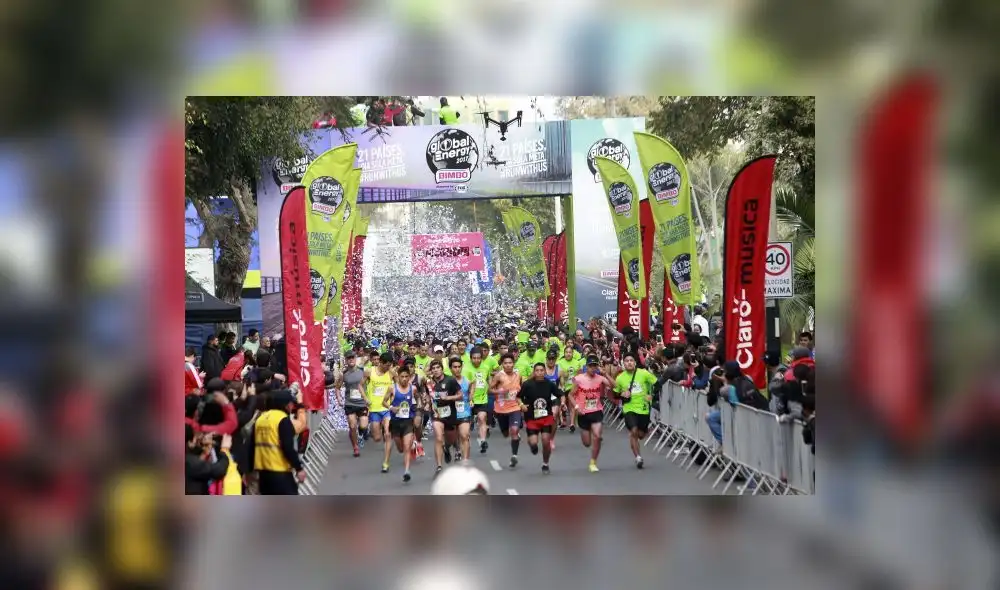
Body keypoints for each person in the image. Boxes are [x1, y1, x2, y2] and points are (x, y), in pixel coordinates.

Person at [250, 389, 306, 495]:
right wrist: (298, 468)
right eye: (290, 403)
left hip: (263, 474)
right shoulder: (282, 419)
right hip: (280, 472)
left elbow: (252, 446)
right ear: (285, 405)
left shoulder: (260, 419)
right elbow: (288, 447)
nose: (292, 406)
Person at [568, 355, 613, 473]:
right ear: (586, 366)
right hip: (583, 413)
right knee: (587, 443)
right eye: (591, 366)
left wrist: (605, 374)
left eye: (595, 366)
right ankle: (590, 441)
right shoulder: (578, 379)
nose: (593, 368)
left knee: (597, 437)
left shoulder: (600, 378)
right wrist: (577, 407)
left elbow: (614, 386)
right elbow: (570, 395)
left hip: (597, 411)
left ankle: (593, 462)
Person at [615, 352, 658, 469]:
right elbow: (615, 393)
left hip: (643, 408)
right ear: (623, 364)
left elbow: (657, 383)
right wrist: (621, 394)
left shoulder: (644, 373)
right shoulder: (620, 378)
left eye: (631, 360)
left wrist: (652, 396)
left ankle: (642, 432)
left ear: (635, 363)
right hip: (629, 408)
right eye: (627, 361)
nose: (629, 362)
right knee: (633, 431)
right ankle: (638, 457)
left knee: (641, 434)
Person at [519, 363, 559, 474]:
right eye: (537, 370)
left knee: (546, 441)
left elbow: (559, 394)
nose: (540, 372)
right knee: (533, 442)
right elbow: (518, 397)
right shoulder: (527, 384)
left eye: (542, 370)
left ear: (545, 372)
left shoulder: (549, 384)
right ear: (534, 372)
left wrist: (563, 403)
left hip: (546, 417)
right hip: (532, 417)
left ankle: (545, 464)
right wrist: (521, 405)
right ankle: (533, 445)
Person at [383, 364, 418, 483]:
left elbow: (417, 399)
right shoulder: (392, 388)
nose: (404, 379)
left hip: (408, 421)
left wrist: (420, 406)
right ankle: (412, 446)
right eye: (402, 376)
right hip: (396, 422)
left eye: (406, 376)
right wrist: (391, 407)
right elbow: (384, 402)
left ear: (409, 377)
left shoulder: (413, 388)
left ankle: (407, 471)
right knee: (401, 448)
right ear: (398, 377)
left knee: (407, 448)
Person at [489, 353, 524, 468]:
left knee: (514, 430)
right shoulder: (499, 376)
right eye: (505, 363)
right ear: (502, 364)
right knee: (505, 434)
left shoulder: (518, 375)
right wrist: (500, 392)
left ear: (513, 364)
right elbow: (490, 390)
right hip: (501, 409)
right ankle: (514, 436)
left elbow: (522, 389)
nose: (508, 365)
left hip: (514, 407)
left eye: (510, 363)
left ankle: (514, 455)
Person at [427, 358, 461, 475]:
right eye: (433, 369)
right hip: (436, 414)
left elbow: (460, 395)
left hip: (450, 414)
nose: (436, 370)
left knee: (450, 439)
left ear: (442, 369)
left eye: (438, 368)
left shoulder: (450, 380)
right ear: (431, 370)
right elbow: (426, 395)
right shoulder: (428, 383)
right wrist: (426, 403)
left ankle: (447, 448)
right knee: (438, 438)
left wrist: (449, 398)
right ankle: (439, 466)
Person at [365, 353, 396, 472]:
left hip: (386, 408)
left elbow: (397, 386)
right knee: (377, 438)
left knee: (388, 435)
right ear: (381, 363)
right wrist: (365, 398)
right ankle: (379, 432)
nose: (388, 367)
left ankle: (386, 463)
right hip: (374, 409)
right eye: (386, 365)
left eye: (390, 365)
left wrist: (395, 398)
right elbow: (360, 385)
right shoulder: (369, 372)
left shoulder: (391, 373)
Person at [338, 350, 368, 457]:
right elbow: (337, 387)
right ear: (346, 360)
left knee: (363, 426)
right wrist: (339, 399)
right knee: (352, 425)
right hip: (350, 402)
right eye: (349, 358)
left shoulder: (363, 371)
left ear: (355, 358)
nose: (351, 359)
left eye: (352, 357)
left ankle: (360, 435)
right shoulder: (344, 374)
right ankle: (355, 447)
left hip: (362, 402)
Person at [463, 347, 492, 453]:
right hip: (469, 399)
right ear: (470, 358)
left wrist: (489, 387)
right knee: (467, 423)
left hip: (482, 398)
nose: (476, 360)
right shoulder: (466, 369)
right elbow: (465, 385)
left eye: (478, 358)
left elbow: (488, 379)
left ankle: (483, 441)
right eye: (474, 358)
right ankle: (466, 442)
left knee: (482, 418)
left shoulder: (485, 367)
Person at [185, 425, 231, 494]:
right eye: (195, 437)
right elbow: (219, 470)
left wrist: (204, 453)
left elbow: (197, 467)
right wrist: (225, 449)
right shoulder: (189, 462)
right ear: (189, 442)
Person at [542, 350, 564, 449]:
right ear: (546, 359)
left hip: (554, 396)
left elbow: (561, 386)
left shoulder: (559, 370)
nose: (551, 361)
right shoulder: (541, 369)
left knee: (554, 416)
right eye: (549, 359)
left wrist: (563, 400)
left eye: (553, 359)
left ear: (556, 359)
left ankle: (551, 439)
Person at [557, 345, 582, 431]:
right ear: (564, 353)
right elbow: (558, 376)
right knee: (563, 404)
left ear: (572, 353)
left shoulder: (577, 363)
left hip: (573, 386)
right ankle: (563, 421)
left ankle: (571, 423)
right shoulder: (560, 362)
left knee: (572, 405)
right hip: (563, 386)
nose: (568, 354)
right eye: (566, 352)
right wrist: (564, 375)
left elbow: (579, 375)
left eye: (570, 352)